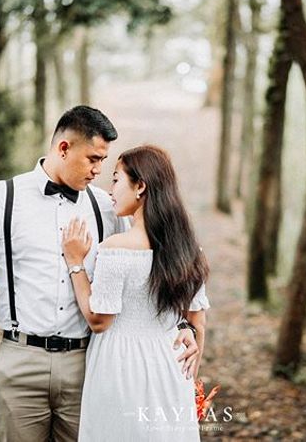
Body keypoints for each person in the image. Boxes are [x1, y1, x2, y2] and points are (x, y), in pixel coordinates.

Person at [0, 107, 200, 441]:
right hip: (19, 362)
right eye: (93, 159)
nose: (99, 170)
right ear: (63, 148)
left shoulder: (107, 206)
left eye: (104, 161)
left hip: (88, 364)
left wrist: (183, 324)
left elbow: (152, 265)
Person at [62, 145, 210, 441]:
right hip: (170, 369)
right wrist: (188, 379)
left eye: (116, 179)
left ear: (140, 186)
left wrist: (75, 263)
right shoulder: (187, 250)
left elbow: (98, 320)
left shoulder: (117, 249)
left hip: (121, 369)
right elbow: (198, 322)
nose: (110, 188)